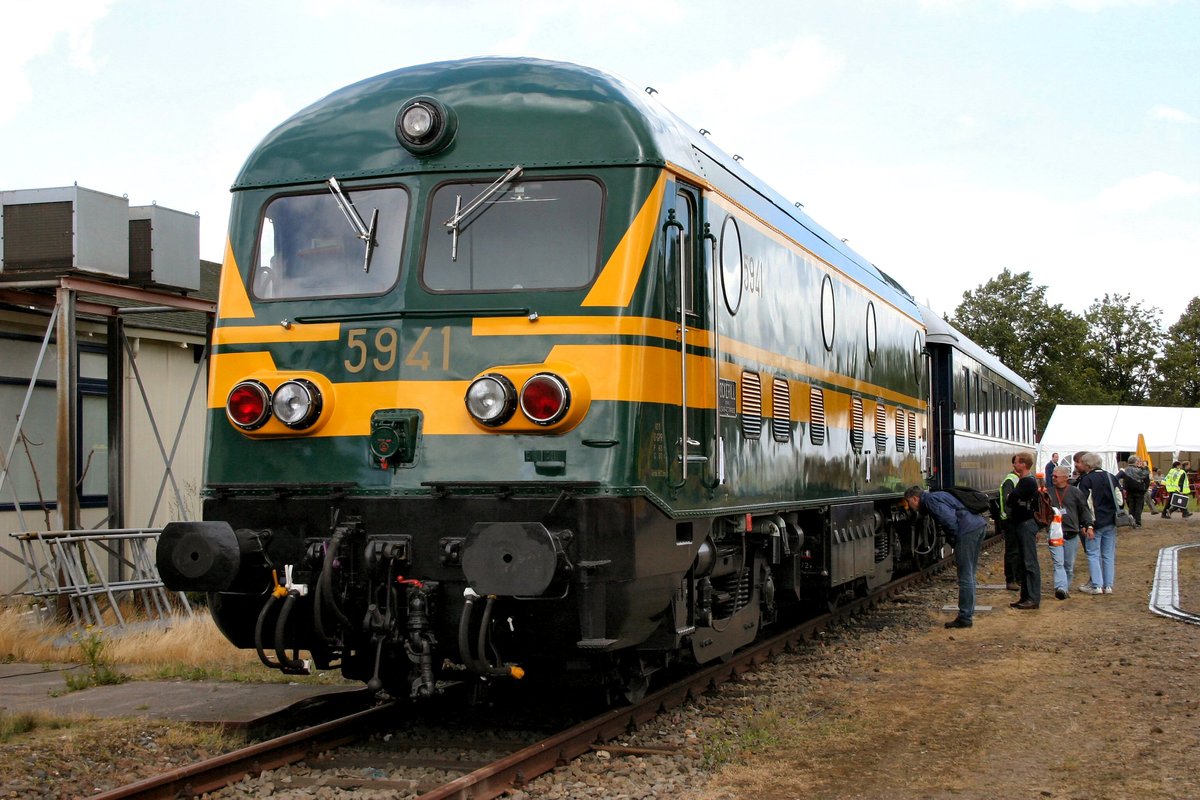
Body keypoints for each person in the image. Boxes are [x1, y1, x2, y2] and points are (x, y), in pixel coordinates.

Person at [904, 485, 989, 628]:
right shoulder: (937, 496)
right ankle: (968, 613)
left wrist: (955, 540)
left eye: (908, 502)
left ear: (915, 498)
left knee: (965, 575)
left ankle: (965, 617)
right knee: (970, 573)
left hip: (967, 531)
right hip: (977, 526)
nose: (909, 507)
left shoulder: (930, 501)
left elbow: (949, 520)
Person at [1046, 466, 1094, 600]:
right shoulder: (1048, 493)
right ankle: (1061, 587)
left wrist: (1088, 525)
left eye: (1056, 476)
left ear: (1065, 477)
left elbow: (1084, 511)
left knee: (1068, 565)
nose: (1053, 478)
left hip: (1071, 532)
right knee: (1058, 563)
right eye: (1052, 475)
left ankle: (1065, 588)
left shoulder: (1075, 492)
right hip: (1055, 533)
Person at [1076, 451, 1119, 594]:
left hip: (1094, 522)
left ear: (1088, 465)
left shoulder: (1087, 480)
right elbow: (1120, 500)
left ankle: (1097, 585)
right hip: (1111, 521)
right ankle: (1108, 585)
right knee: (1108, 554)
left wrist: (1086, 524)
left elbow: (1084, 504)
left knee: (1093, 554)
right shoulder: (1111, 477)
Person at [1003, 451, 1041, 609]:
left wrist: (1012, 497)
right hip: (1022, 523)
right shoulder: (1024, 481)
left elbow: (1011, 499)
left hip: (1026, 524)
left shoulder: (1027, 482)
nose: (1014, 464)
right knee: (1024, 562)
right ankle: (1025, 597)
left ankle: (1032, 598)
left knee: (1029, 562)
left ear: (1024, 464)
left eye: (1017, 462)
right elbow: (1012, 499)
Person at [997, 460, 1022, 592]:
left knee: (1018, 551)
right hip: (1011, 521)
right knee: (1013, 551)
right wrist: (1012, 518)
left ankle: (1018, 578)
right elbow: (1008, 502)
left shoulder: (1018, 479)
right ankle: (1011, 579)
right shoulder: (1010, 480)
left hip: (1015, 520)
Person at [1118, 456, 1151, 528]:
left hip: (1129, 491)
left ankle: (1131, 520)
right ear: (1135, 462)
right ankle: (1137, 522)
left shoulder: (1125, 470)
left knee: (1131, 507)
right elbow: (1146, 475)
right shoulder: (1138, 470)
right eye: (1137, 461)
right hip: (1139, 491)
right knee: (1138, 507)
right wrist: (1145, 466)